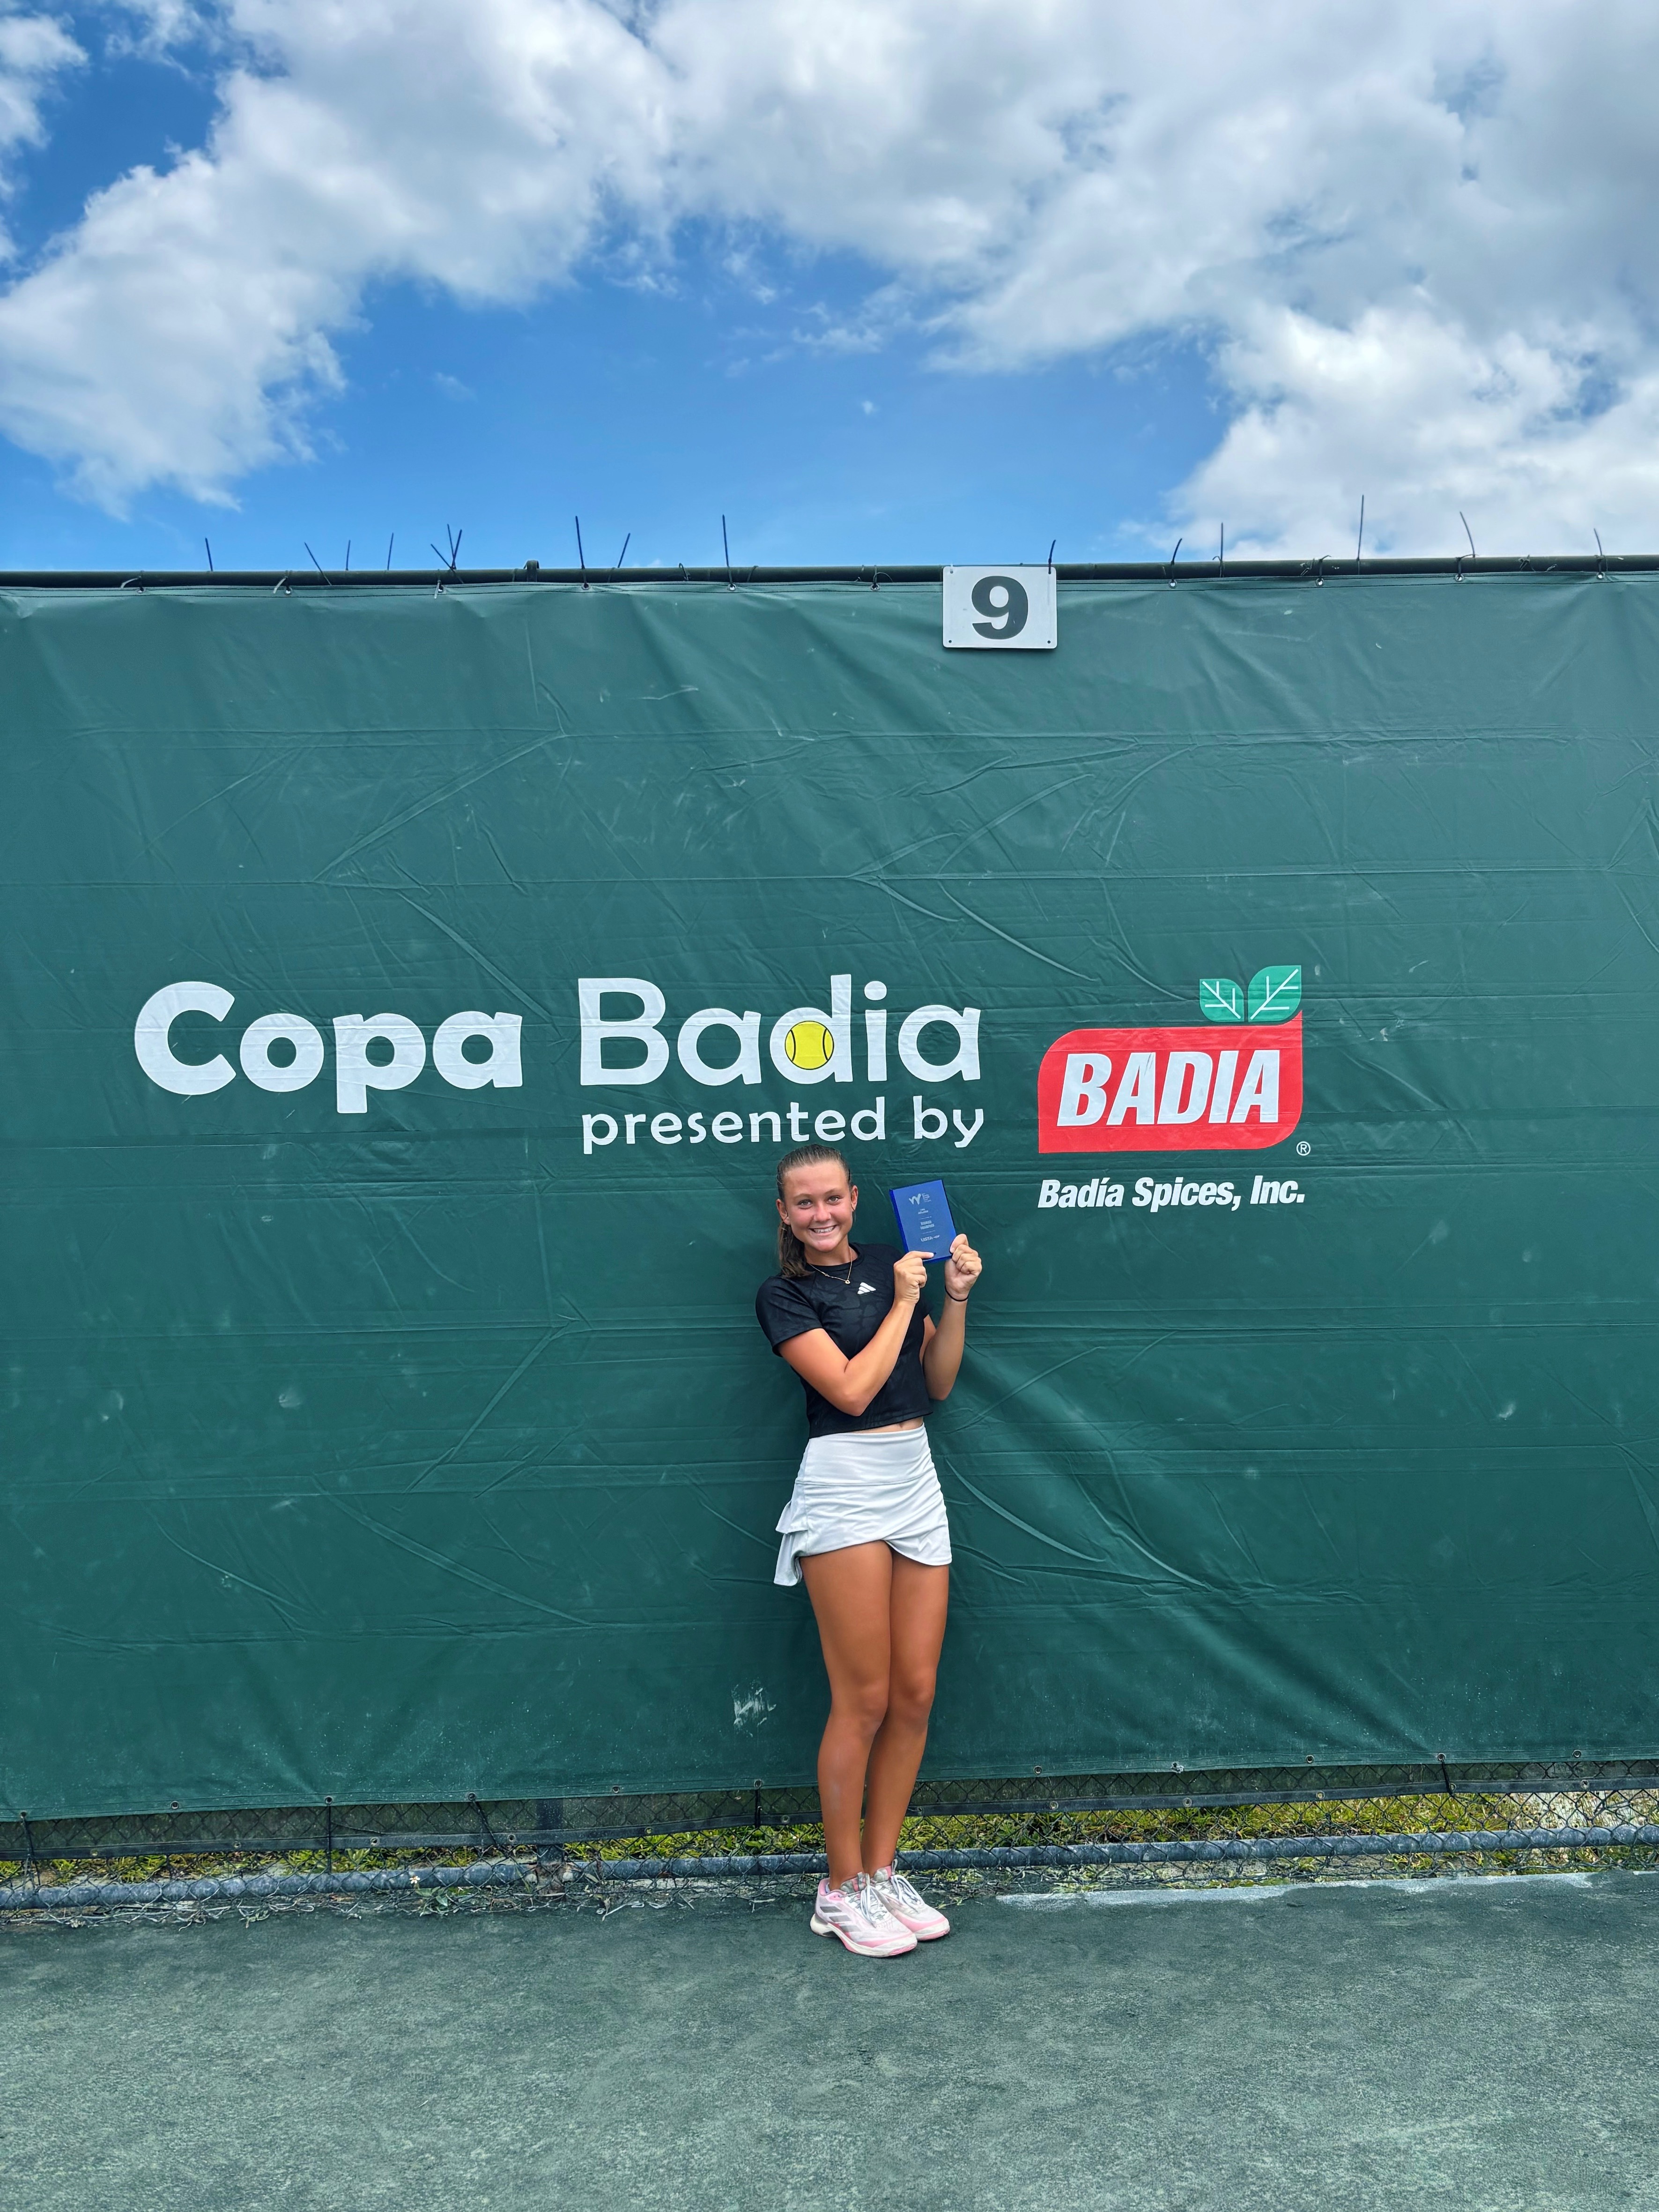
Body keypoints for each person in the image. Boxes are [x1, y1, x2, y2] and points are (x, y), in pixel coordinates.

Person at [754, 1143, 983, 1958]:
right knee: (865, 1699)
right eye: (804, 1203)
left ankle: (882, 1873)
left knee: (915, 1693)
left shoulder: (893, 1263)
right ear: (784, 1214)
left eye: (832, 1198)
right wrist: (902, 1302)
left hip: (914, 1476)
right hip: (843, 1485)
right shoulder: (782, 1296)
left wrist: (951, 1298)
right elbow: (850, 1390)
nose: (821, 1213)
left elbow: (937, 1381)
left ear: (853, 1198)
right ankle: (840, 1887)